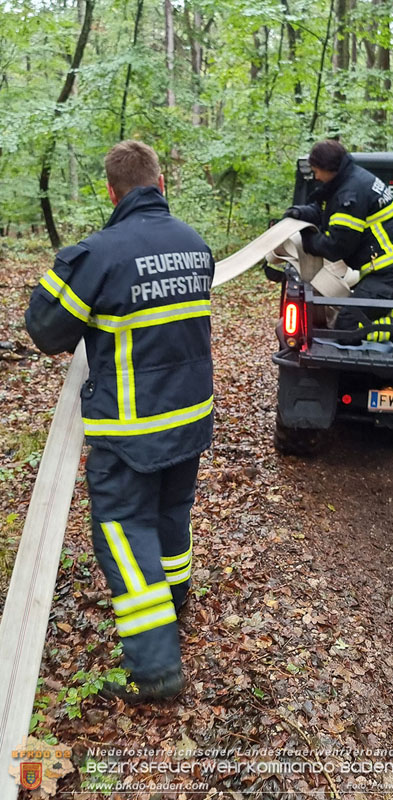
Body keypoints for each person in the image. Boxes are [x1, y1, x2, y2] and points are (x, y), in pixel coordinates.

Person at [25, 140, 214, 702]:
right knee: (170, 514)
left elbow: (45, 329)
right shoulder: (195, 244)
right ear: (161, 184)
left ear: (111, 191)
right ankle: (175, 604)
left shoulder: (98, 255)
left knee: (124, 532)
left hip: (133, 430)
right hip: (191, 417)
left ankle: (155, 668)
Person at [284, 139, 393, 344]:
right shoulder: (351, 180)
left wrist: (306, 241)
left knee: (347, 328)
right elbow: (326, 211)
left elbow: (337, 246)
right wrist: (299, 213)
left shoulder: (351, 194)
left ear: (330, 168)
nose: (316, 177)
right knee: (361, 318)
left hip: (389, 273)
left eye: (317, 171)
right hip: (390, 269)